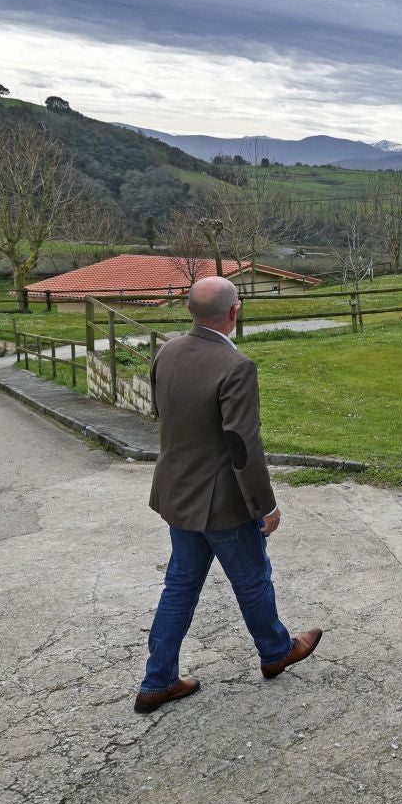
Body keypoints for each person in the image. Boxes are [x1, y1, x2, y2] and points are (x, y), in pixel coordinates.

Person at [133, 275, 320, 714]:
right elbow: (242, 446)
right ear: (235, 312)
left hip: (176, 493)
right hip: (221, 501)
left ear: (190, 311)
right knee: (252, 578)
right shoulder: (236, 366)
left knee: (179, 586)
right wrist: (266, 506)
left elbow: (161, 413)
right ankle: (276, 652)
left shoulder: (167, 351)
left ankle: (156, 681)